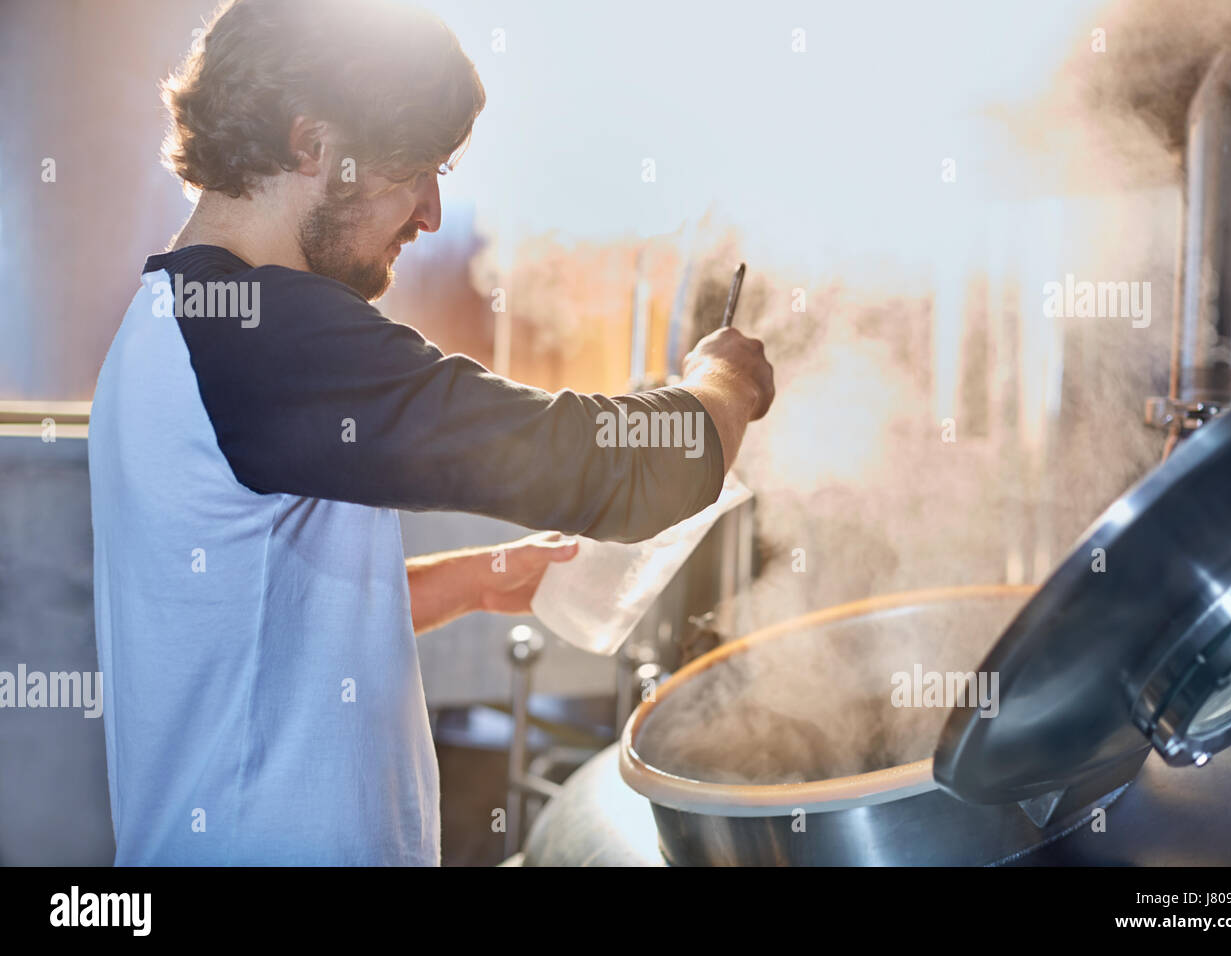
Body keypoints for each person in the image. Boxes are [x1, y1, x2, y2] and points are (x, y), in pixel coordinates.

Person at [88, 0, 774, 865]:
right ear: (312, 146)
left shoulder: (174, 321)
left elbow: (244, 615)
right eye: (418, 167)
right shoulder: (258, 335)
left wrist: (478, 580)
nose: (432, 212)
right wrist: (725, 381)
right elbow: (619, 471)